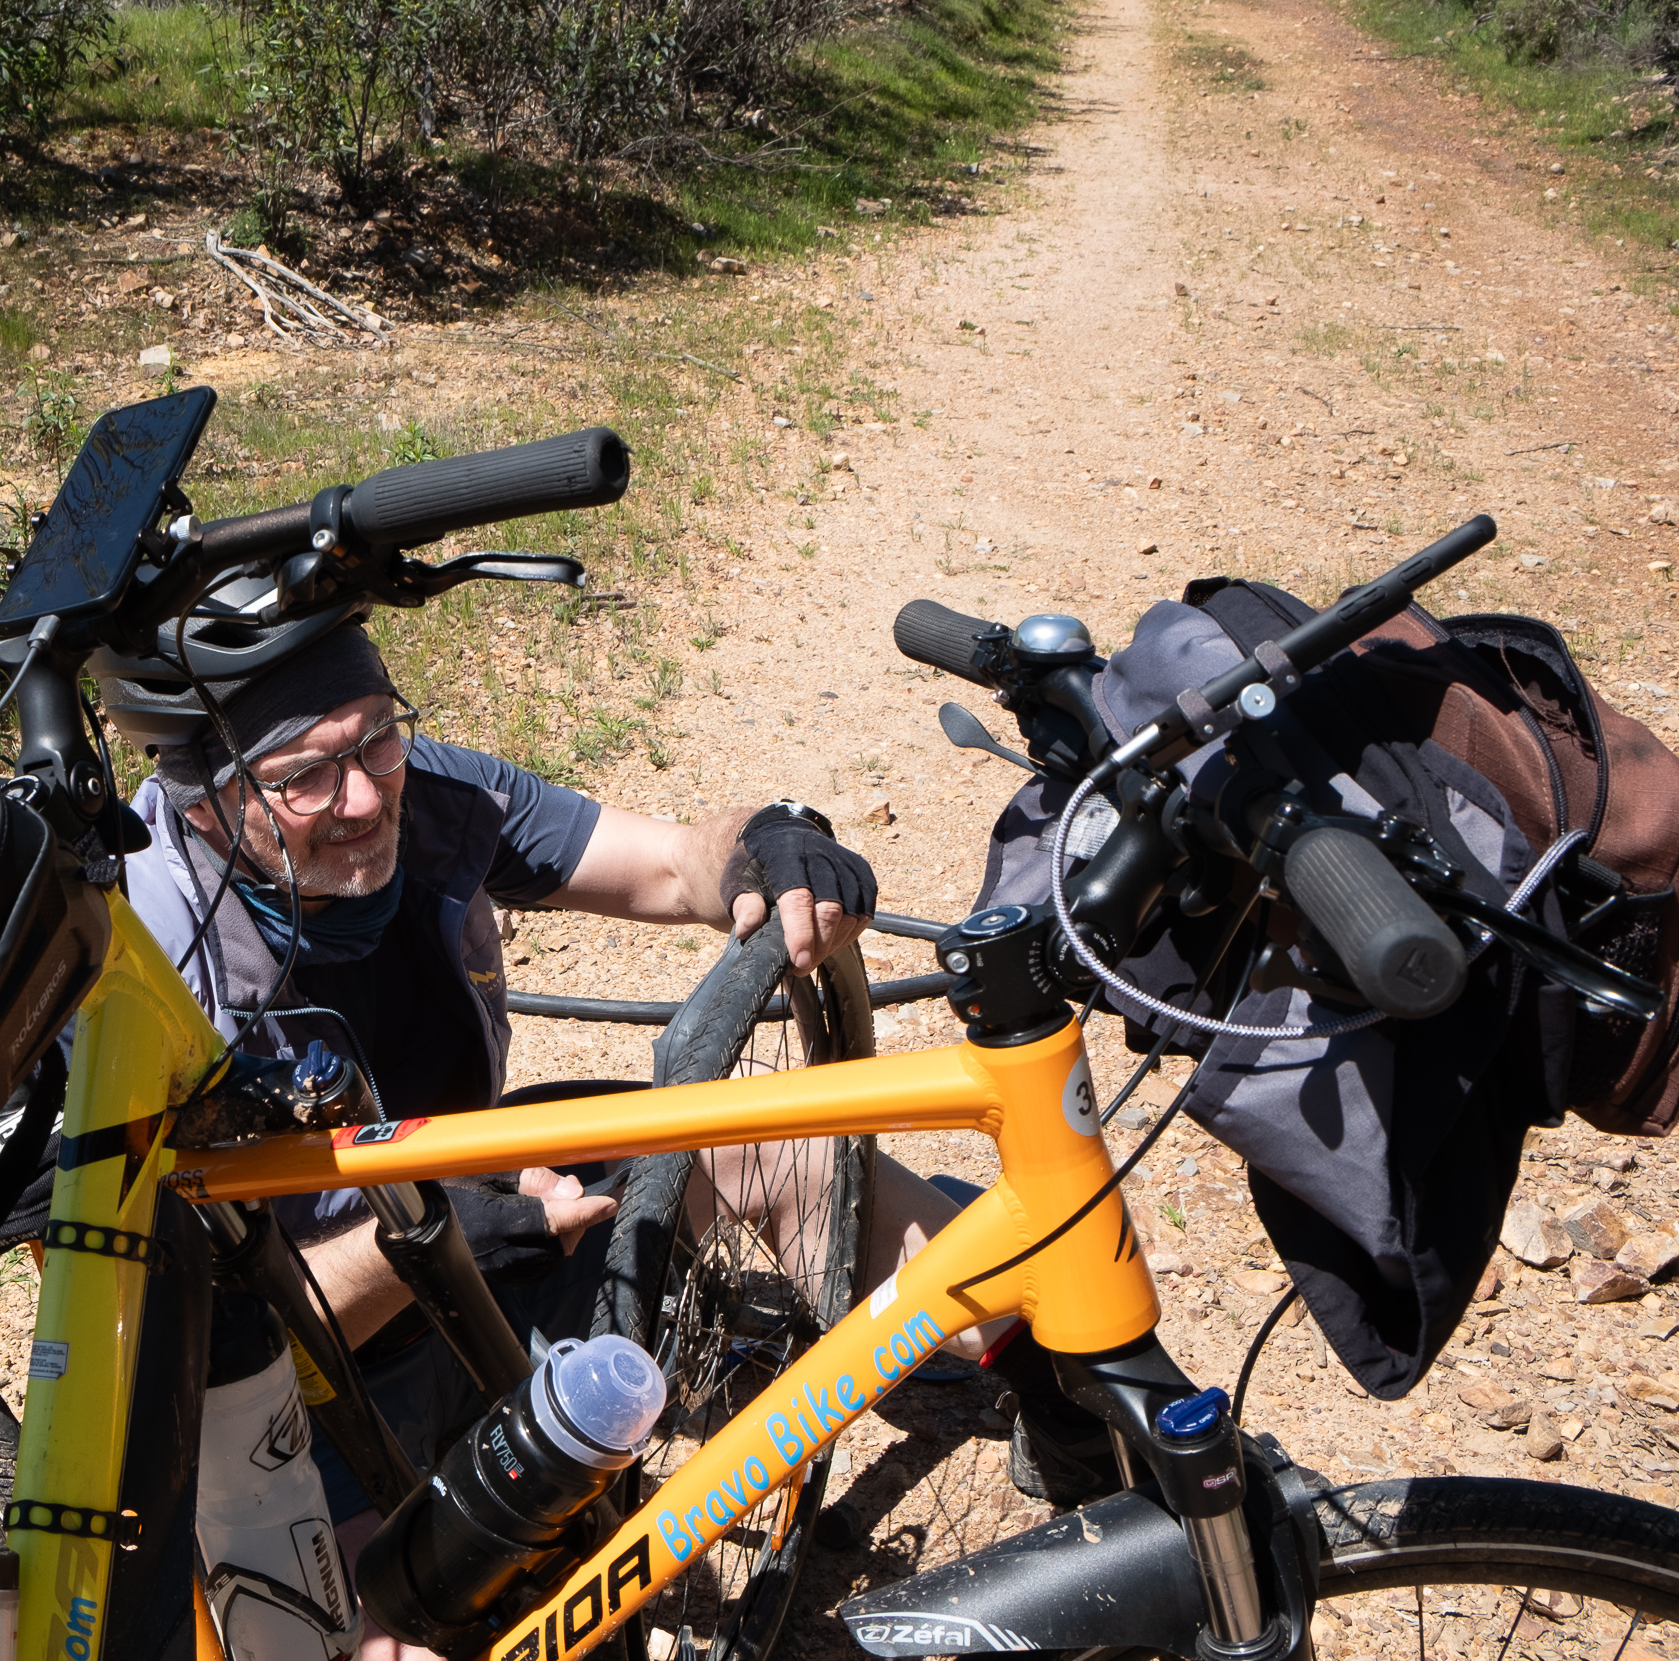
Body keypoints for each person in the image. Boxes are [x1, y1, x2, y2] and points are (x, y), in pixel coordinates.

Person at [100, 617, 1110, 1656]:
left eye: (374, 743)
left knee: (789, 1151)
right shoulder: (142, 977)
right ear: (201, 798)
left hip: (495, 1221)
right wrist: (419, 1243)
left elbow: (670, 863)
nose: (361, 797)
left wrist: (766, 845)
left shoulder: (434, 793)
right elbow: (182, 1350)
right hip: (307, 1394)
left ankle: (1082, 1410)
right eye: (303, 777)